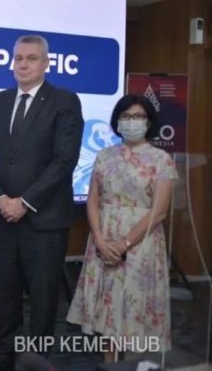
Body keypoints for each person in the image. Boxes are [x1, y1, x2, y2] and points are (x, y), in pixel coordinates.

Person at [0, 34, 84, 371]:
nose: (23, 64)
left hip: (44, 220)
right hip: (2, 217)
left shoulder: (65, 101)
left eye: (31, 58)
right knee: (3, 295)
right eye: (18, 58)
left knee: (43, 298)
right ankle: (3, 357)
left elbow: (64, 160)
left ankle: (37, 362)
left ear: (46, 63)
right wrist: (0, 198)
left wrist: (24, 202)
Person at [67, 95, 176, 362]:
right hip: (103, 240)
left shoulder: (161, 159)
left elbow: (159, 211)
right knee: (108, 312)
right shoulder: (104, 156)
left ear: (148, 122)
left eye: (138, 116)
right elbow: (93, 200)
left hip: (140, 243)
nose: (131, 121)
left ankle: (134, 365)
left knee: (134, 311)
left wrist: (124, 243)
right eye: (125, 116)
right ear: (117, 121)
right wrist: (100, 240)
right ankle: (111, 366)